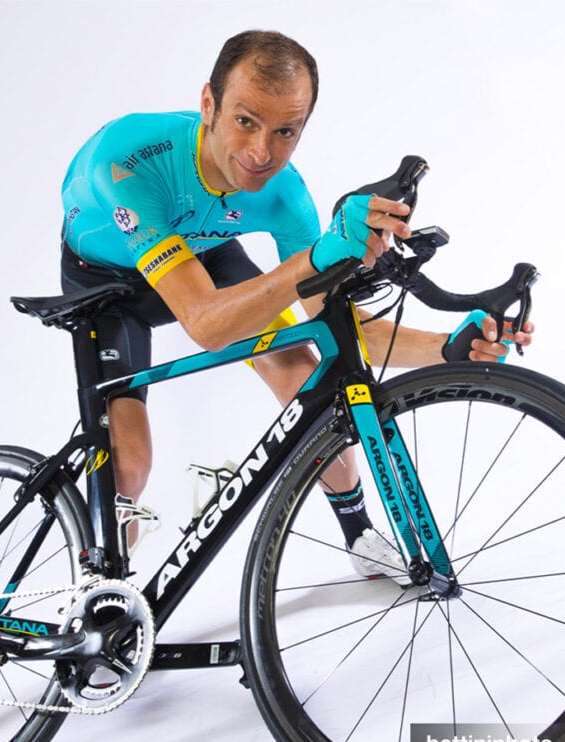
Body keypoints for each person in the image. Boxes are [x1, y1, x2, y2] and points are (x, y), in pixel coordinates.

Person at [60, 30, 533, 583]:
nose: (261, 153)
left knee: (307, 376)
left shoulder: (283, 192)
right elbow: (205, 323)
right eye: (245, 121)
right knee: (127, 466)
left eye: (285, 131)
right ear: (209, 104)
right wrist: (314, 259)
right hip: (108, 284)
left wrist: (450, 349)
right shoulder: (128, 161)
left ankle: (359, 534)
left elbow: (342, 325)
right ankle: (100, 587)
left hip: (202, 255)